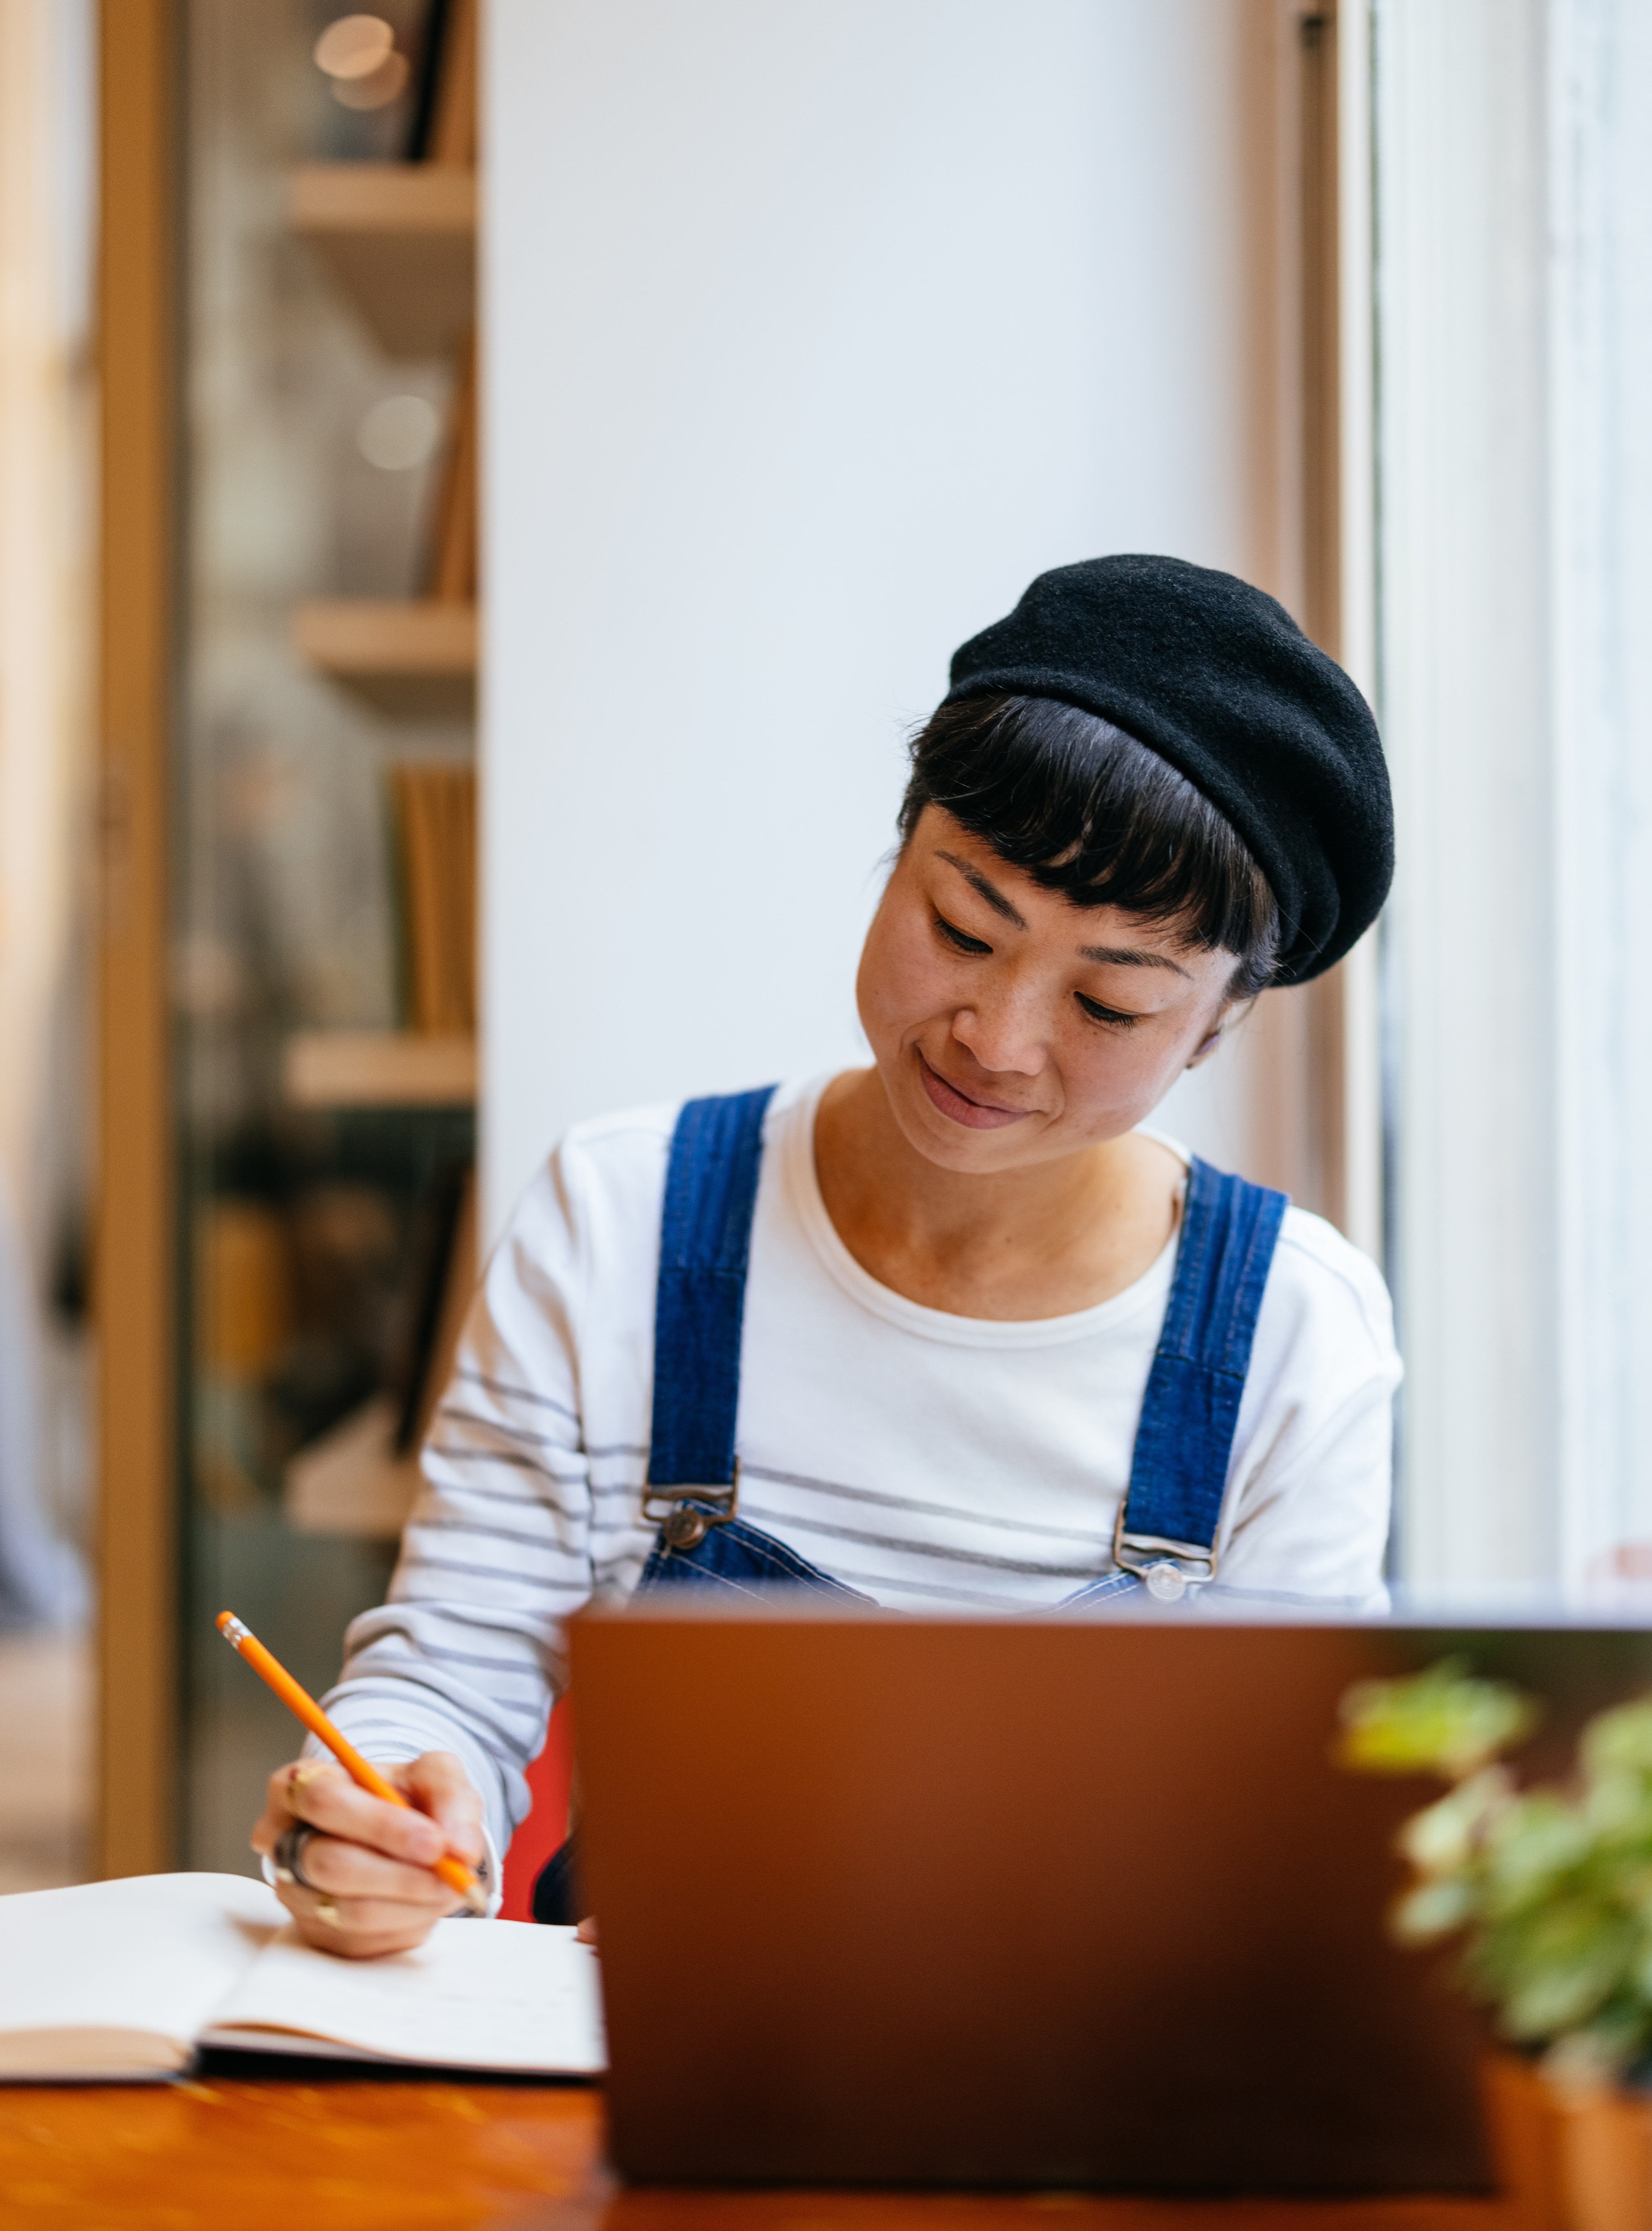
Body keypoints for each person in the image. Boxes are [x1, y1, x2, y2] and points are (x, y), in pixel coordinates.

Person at [252, 554, 1399, 1959]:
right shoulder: (620, 1222)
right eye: (962, 928)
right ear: (897, 847)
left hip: (1070, 2120)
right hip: (639, 2081)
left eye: (1108, 1005)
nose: (997, 1036)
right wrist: (380, 1814)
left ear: (1218, 1027)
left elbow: (1290, 1841)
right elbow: (449, 1678)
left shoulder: (1293, 1333)